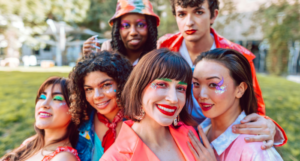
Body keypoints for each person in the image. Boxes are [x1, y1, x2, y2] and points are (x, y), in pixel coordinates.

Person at [158, 0, 287, 147]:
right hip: (173, 137)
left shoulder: (238, 56)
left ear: (213, 15)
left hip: (221, 139)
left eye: (198, 12)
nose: (189, 22)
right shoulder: (163, 48)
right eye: (182, 14)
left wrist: (267, 124)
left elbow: (254, 107)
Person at [100, 48, 203, 161]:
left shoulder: (189, 134)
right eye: (162, 84)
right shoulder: (114, 158)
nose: (173, 99)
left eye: (180, 88)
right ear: (139, 89)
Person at [189, 48, 283, 160]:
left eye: (213, 85)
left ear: (240, 89)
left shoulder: (255, 149)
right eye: (196, 84)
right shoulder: (198, 132)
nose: (202, 95)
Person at [69, 51, 132, 161]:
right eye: (89, 89)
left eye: (106, 85)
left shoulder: (141, 122)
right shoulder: (80, 124)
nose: (97, 96)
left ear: (123, 83)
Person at [1, 77, 80, 161]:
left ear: (75, 111)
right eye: (42, 97)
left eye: (57, 99)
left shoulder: (63, 158)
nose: (44, 104)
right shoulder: (30, 143)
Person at [82, 0, 159, 65]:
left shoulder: (159, 58)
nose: (133, 32)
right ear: (117, 29)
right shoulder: (109, 52)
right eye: (126, 26)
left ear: (150, 27)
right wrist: (92, 62)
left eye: (140, 25)